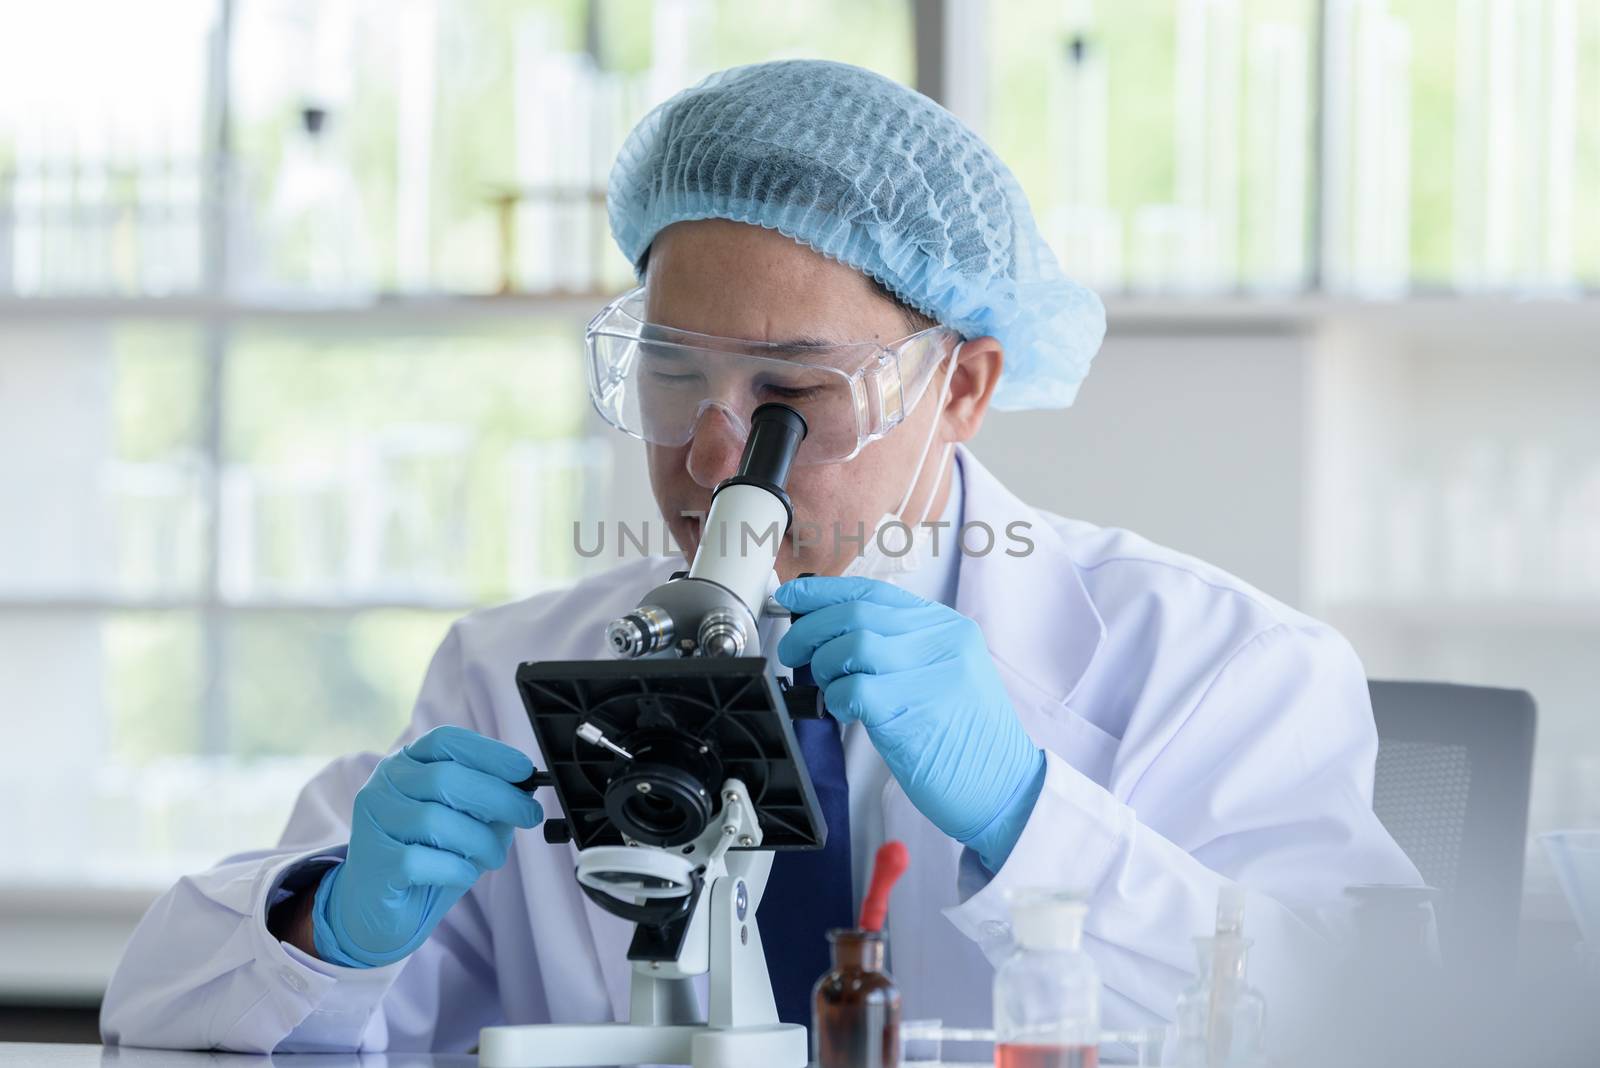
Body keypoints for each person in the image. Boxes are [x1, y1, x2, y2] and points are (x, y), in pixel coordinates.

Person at [101, 59, 1418, 1053]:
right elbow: (159, 1011)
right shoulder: (508, 673)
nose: (718, 457)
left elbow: (1372, 1027)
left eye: (795, 392)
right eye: (674, 379)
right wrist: (326, 929)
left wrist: (1033, 818)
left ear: (962, 389)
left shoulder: (1214, 666)